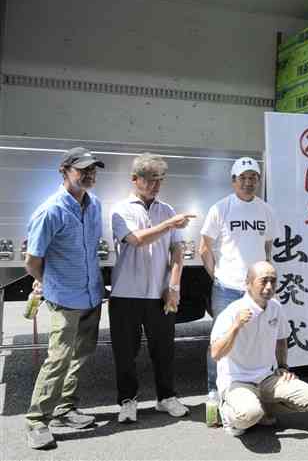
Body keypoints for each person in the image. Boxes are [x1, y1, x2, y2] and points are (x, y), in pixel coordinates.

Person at [23, 147, 105, 450]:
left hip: (91, 294)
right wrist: (50, 284)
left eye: (93, 169)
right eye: (82, 169)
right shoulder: (50, 211)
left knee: (81, 355)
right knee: (58, 359)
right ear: (65, 171)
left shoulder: (94, 204)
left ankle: (65, 409)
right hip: (64, 299)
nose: (89, 174)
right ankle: (36, 421)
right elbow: (33, 261)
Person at [110, 154, 196, 423]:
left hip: (159, 293)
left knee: (164, 349)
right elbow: (137, 240)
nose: (156, 186)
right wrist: (170, 224)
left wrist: (174, 285)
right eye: (150, 180)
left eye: (160, 180)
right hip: (126, 293)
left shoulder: (167, 209)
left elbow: (177, 250)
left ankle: (166, 397)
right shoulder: (121, 209)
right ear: (135, 180)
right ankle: (127, 400)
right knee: (125, 352)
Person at [200, 157, 279, 419]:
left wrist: (265, 279)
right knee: (220, 339)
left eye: (253, 178)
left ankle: (255, 390)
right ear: (233, 181)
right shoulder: (220, 208)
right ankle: (214, 390)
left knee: (258, 340)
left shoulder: (266, 210)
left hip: (256, 291)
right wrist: (218, 277)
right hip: (227, 288)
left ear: (258, 181)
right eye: (243, 178)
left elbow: (267, 248)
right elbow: (205, 247)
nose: (248, 182)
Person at [210, 261, 308, 436]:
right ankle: (228, 412)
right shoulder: (232, 312)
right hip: (237, 381)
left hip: (267, 378)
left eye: (273, 281)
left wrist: (283, 367)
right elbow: (216, 353)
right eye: (263, 281)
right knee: (248, 415)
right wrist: (236, 326)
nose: (269, 286)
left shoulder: (275, 307)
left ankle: (261, 409)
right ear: (248, 283)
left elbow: (281, 339)